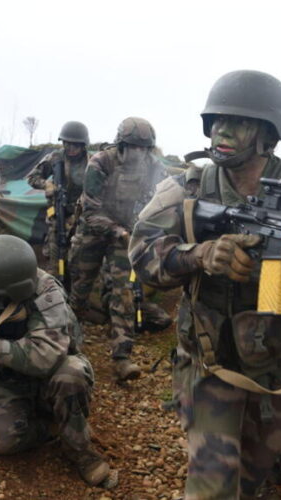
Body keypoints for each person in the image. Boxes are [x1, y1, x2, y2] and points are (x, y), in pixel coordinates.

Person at [129, 70, 281, 499]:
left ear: (267, 136)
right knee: (213, 490)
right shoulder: (188, 188)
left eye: (238, 122)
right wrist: (199, 256)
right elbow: (142, 255)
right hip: (212, 360)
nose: (222, 130)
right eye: (216, 120)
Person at [0, 234, 115, 488]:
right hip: (7, 375)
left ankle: (79, 450)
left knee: (73, 374)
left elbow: (45, 356)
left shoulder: (46, 295)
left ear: (14, 290)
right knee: (0, 441)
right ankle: (51, 429)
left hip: (52, 373)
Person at [67, 117, 166, 382]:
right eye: (133, 148)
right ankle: (66, 341)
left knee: (124, 290)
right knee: (80, 286)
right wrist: (117, 231)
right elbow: (90, 211)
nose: (138, 154)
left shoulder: (154, 167)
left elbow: (162, 201)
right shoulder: (101, 162)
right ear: (121, 146)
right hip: (94, 229)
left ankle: (122, 357)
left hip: (125, 232)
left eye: (143, 149)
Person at [27, 121, 91, 276]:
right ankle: (57, 285)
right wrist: (47, 185)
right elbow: (32, 177)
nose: (70, 148)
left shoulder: (92, 162)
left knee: (80, 259)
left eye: (75, 145)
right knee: (55, 255)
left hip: (82, 216)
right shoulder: (56, 158)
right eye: (66, 144)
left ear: (83, 145)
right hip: (58, 214)